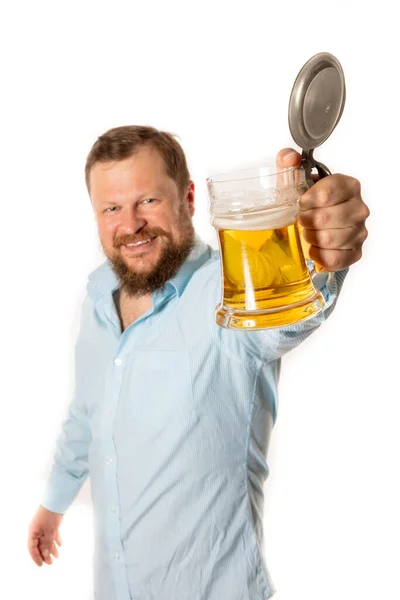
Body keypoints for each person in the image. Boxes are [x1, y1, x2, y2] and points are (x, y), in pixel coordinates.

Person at [27, 125, 370, 600]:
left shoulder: (227, 289)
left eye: (147, 200)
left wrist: (325, 253)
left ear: (189, 199)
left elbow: (284, 310)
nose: (131, 224)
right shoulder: (96, 298)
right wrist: (53, 504)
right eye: (111, 208)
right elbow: (87, 412)